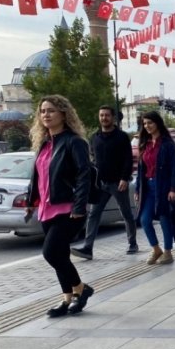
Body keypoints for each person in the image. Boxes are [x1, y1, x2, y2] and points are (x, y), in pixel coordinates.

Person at [26, 95, 94, 317]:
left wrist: (79, 206)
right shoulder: (45, 144)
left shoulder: (74, 142)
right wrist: (30, 201)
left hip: (68, 208)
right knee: (61, 255)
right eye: (43, 111)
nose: (46, 115)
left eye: (51, 110)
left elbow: (85, 175)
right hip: (47, 208)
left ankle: (81, 289)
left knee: (51, 253)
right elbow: (38, 176)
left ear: (63, 114)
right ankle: (68, 299)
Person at [71, 105, 137, 260]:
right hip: (100, 184)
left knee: (126, 213)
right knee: (93, 214)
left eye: (107, 115)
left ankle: (132, 243)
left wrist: (124, 178)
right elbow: (92, 159)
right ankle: (88, 248)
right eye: (101, 115)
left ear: (112, 118)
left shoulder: (121, 137)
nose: (104, 118)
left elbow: (128, 159)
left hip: (118, 183)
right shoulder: (95, 137)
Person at [134, 111, 175, 265]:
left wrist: (174, 189)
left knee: (164, 219)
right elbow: (141, 169)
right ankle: (156, 249)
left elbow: (174, 167)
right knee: (144, 220)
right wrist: (137, 189)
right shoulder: (144, 143)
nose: (147, 126)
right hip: (147, 187)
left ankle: (167, 252)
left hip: (163, 187)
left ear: (157, 123)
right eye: (145, 123)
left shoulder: (167, 144)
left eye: (150, 123)